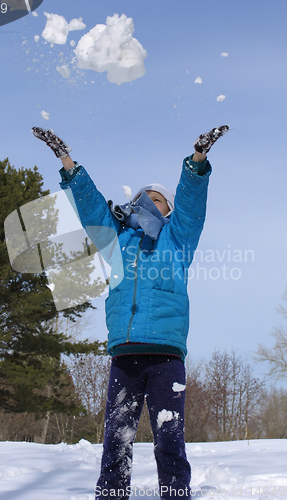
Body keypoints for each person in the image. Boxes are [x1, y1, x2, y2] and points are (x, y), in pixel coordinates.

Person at [32, 125, 229, 500]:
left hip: (165, 355)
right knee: (116, 438)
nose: (148, 204)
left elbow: (192, 202)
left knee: (168, 438)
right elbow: (90, 206)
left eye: (157, 200)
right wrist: (67, 162)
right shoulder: (117, 241)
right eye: (143, 198)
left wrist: (198, 161)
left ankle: (174, 493)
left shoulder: (177, 239)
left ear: (168, 210)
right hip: (124, 353)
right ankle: (110, 494)